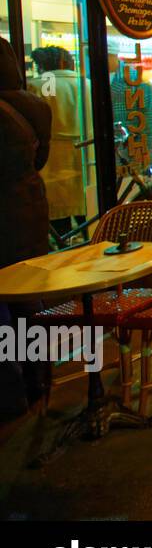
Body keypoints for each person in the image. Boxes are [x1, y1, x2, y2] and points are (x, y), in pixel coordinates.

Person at [0, 38, 52, 418]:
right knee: (28, 298)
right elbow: (41, 159)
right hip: (30, 207)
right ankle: (39, 380)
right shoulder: (35, 105)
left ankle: (11, 390)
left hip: (5, 214)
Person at [32, 47, 86, 237]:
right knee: (87, 212)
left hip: (52, 160)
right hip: (87, 155)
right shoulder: (87, 84)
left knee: (59, 217)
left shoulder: (37, 86)